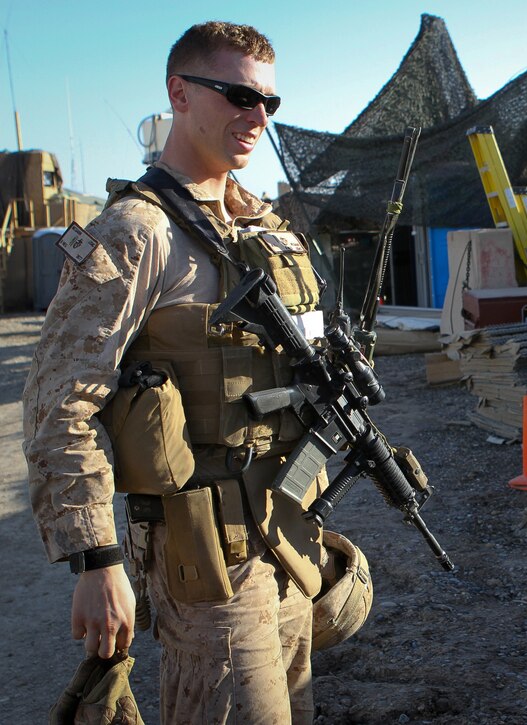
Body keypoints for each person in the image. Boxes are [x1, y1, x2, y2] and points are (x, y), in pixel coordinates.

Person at [24, 22, 328, 724]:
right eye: (238, 95)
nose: (257, 117)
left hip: (286, 536)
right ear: (179, 93)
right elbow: (57, 403)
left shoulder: (261, 229)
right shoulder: (137, 233)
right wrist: (96, 559)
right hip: (207, 561)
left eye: (268, 104)